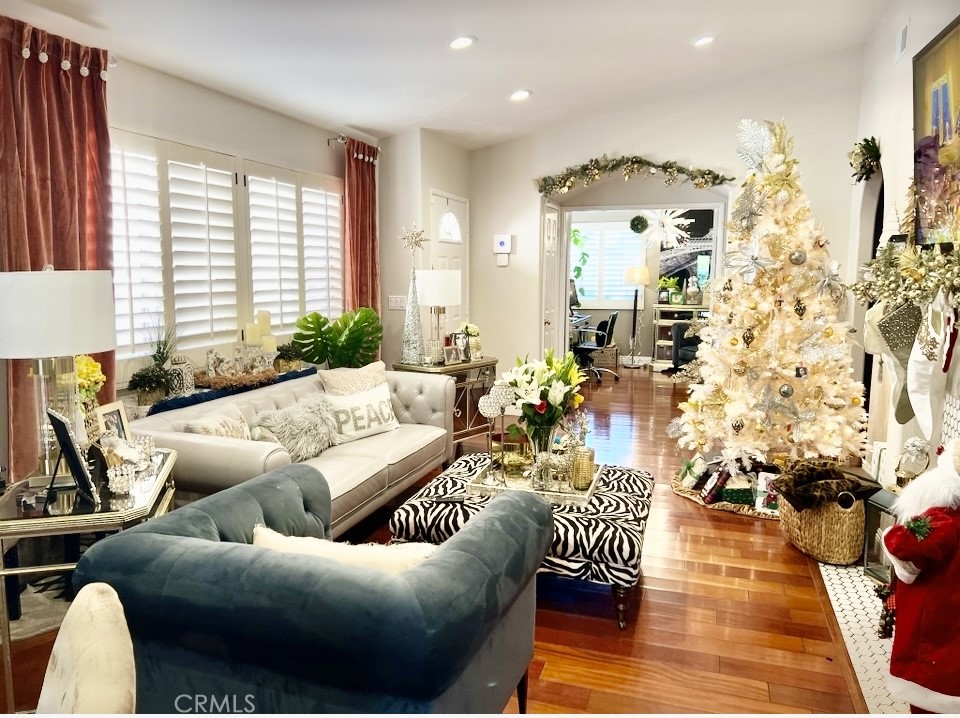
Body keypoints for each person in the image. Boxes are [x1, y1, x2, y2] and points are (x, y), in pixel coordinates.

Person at [881, 438, 960, 714]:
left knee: (931, 692)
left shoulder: (944, 520)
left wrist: (891, 536)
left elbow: (901, 544)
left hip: (937, 632)